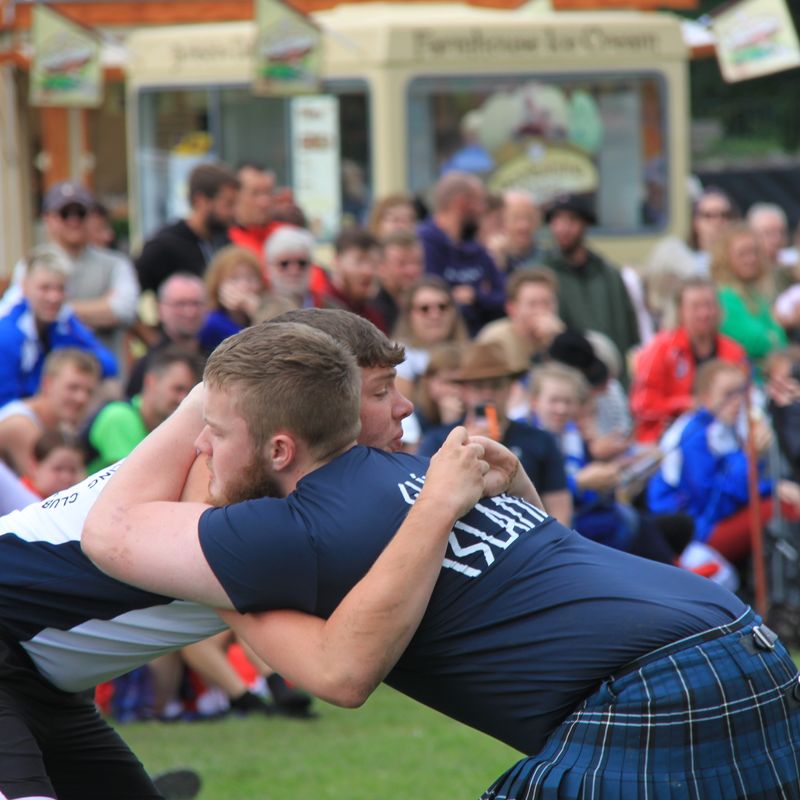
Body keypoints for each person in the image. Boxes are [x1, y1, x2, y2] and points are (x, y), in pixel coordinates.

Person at [83, 315, 800, 800]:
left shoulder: (296, 521)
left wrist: (201, 409)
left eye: (214, 430)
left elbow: (112, 534)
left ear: (277, 444)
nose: (400, 409)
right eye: (378, 391)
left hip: (660, 687)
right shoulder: (429, 474)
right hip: (745, 645)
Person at [0, 317, 511, 798]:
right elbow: (337, 671)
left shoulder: (289, 488)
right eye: (380, 391)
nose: (403, 406)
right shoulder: (232, 487)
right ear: (316, 402)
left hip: (49, 682)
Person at [648, 359, 800, 566]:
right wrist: (751, 456)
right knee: (782, 509)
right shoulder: (695, 436)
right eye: (728, 394)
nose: (737, 401)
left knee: (788, 500)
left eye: (740, 392)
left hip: (708, 523)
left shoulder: (724, 426)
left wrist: (773, 487)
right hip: (694, 536)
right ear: (705, 398)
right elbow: (716, 504)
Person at [418, 341, 572, 526]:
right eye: (478, 386)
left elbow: (559, 510)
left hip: (526, 538)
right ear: (464, 391)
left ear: (510, 388)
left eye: (496, 385)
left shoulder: (540, 440)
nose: (487, 394)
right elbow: (427, 504)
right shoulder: (439, 440)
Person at [0, 182, 140, 364]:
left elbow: (124, 310)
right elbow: (15, 311)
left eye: (80, 213)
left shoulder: (117, 263)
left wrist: (48, 308)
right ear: (48, 219)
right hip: (41, 378)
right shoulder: (32, 261)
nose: (73, 221)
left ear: (92, 218)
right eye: (65, 214)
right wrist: (102, 305)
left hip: (101, 377)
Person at [631, 277, 747, 443]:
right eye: (695, 307)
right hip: (668, 438)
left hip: (725, 432)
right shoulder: (661, 349)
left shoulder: (733, 351)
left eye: (709, 305)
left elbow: (748, 397)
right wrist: (687, 405)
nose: (704, 314)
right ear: (680, 311)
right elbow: (642, 403)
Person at [0, 245, 117, 407]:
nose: (54, 297)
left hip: (45, 410)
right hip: (15, 419)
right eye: (45, 288)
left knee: (109, 389)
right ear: (25, 287)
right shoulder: (7, 333)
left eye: (60, 288)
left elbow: (109, 363)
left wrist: (69, 357)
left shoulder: (63, 321)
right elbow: (5, 404)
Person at [541, 193, 639, 382]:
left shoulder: (608, 274)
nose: (563, 228)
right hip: (565, 378)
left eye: (571, 220)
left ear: (586, 224)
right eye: (557, 220)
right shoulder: (544, 273)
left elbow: (627, 333)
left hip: (609, 378)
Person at [417, 171, 506, 335]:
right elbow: (431, 297)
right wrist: (456, 298)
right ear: (461, 203)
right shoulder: (424, 243)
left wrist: (475, 296)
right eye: (480, 202)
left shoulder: (476, 249)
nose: (483, 210)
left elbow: (504, 299)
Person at [84, 347, 201, 473]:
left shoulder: (163, 428)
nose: (183, 398)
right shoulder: (119, 416)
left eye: (189, 392)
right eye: (177, 389)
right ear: (151, 382)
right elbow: (131, 480)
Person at [135, 163, 239, 294]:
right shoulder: (164, 246)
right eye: (228, 204)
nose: (234, 212)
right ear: (200, 201)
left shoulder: (225, 243)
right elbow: (135, 292)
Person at [0, 348, 100, 477]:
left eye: (89, 391)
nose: (81, 398)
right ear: (47, 383)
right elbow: (45, 484)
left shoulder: (63, 426)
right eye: (73, 387)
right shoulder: (20, 423)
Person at [712, 223, 787, 376]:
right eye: (742, 254)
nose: (751, 259)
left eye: (755, 252)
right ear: (725, 258)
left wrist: (772, 337)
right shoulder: (723, 297)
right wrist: (772, 336)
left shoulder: (757, 295)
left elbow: (781, 340)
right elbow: (755, 341)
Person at [126, 273, 210, 398]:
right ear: (160, 309)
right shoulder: (148, 364)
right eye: (181, 304)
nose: (190, 312)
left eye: (196, 303)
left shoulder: (214, 356)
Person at [392, 276, 469, 398]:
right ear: (409, 315)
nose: (435, 315)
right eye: (425, 309)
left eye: (442, 307)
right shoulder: (397, 355)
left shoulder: (469, 353)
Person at [199, 246, 267, 351]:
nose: (244, 286)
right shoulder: (211, 321)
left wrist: (259, 313)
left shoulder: (267, 309)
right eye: (235, 279)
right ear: (218, 284)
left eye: (251, 278)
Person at [321, 228, 387, 332]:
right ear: (337, 262)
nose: (367, 271)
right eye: (359, 261)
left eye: (373, 263)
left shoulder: (375, 316)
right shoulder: (320, 308)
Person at [258, 225, 321, 318]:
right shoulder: (257, 307)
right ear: (269, 267)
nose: (294, 271)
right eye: (284, 264)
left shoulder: (330, 307)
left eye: (302, 263)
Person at [372, 230, 424, 333]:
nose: (412, 271)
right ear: (381, 268)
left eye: (417, 263)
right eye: (402, 264)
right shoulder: (373, 313)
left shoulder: (432, 307)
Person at [228, 162, 277, 258]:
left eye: (268, 192)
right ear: (235, 196)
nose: (264, 202)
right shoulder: (224, 241)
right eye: (255, 193)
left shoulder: (286, 234)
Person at [20, 430, 86, 499]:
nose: (66, 478)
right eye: (58, 468)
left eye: (73, 470)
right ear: (33, 467)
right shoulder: (19, 499)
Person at [689, 186, 736, 276]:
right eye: (709, 215)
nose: (717, 221)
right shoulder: (684, 263)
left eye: (724, 215)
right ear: (695, 222)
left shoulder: (743, 263)